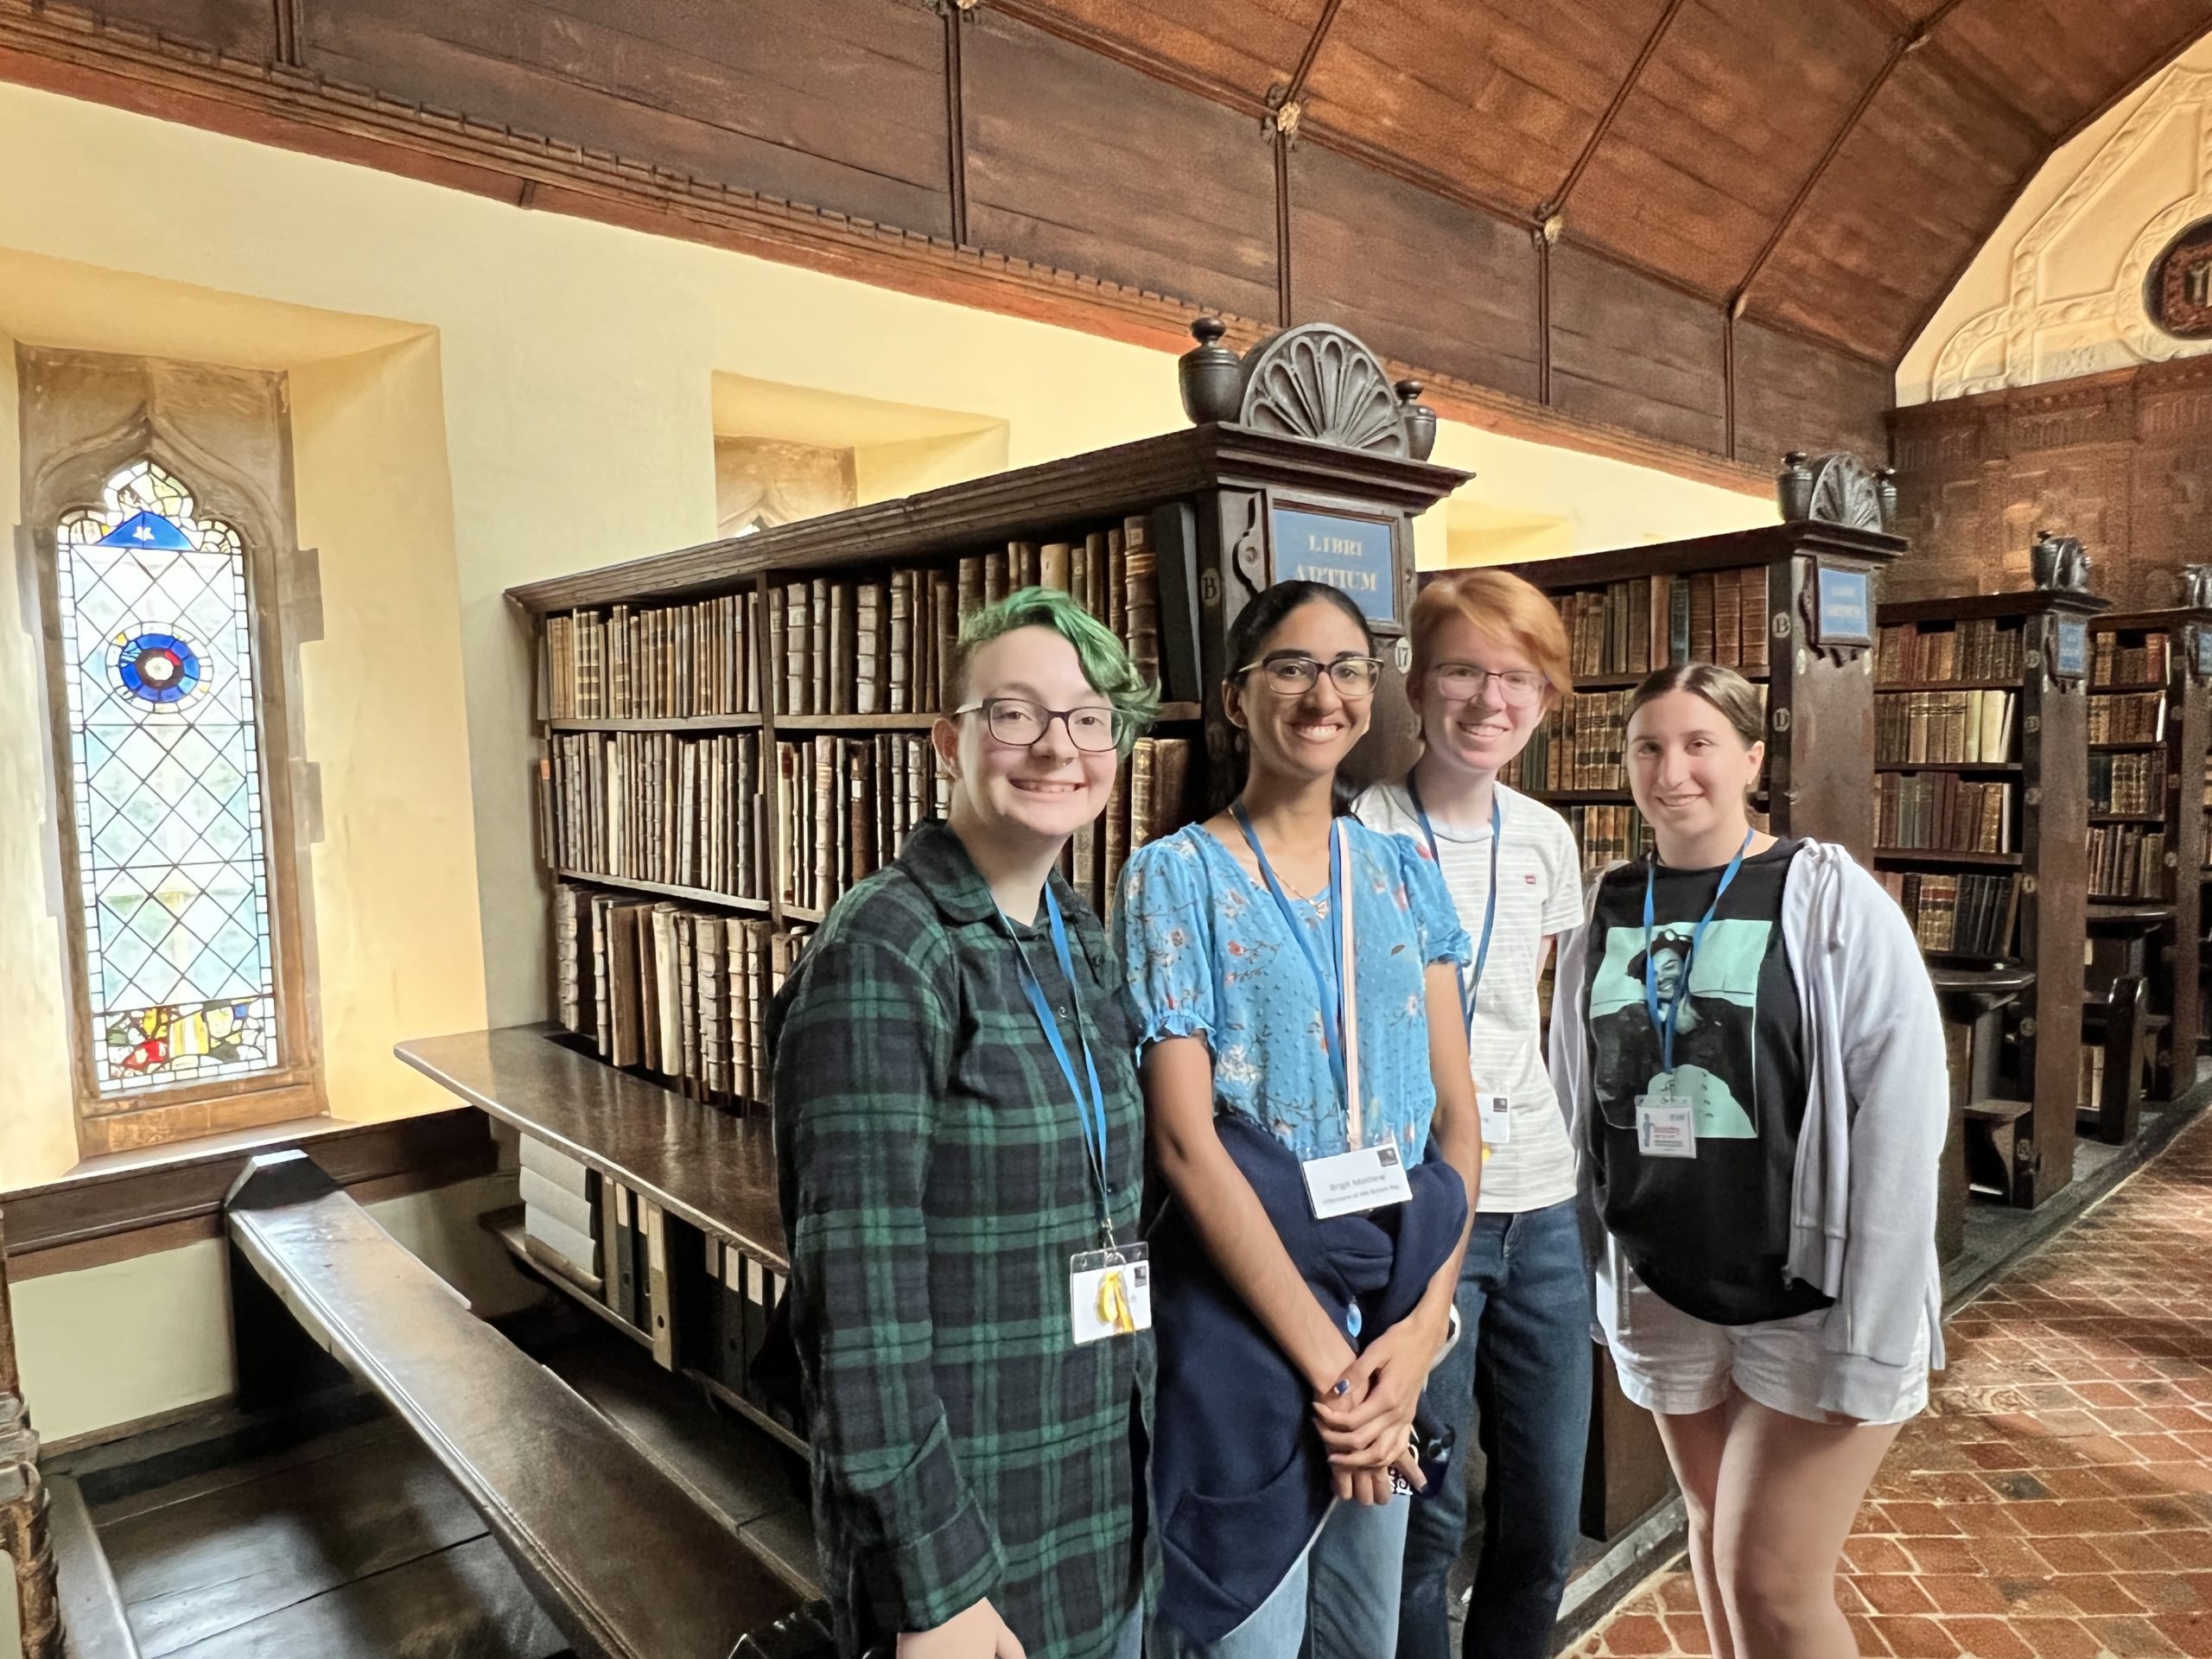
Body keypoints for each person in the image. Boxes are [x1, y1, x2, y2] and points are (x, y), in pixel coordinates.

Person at [770, 587, 1158, 1659]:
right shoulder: (885, 952)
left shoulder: (1074, 933)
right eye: (1013, 714)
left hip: (1097, 1493)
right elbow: (856, 1305)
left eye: (1087, 719)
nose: (1054, 747)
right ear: (950, 738)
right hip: (969, 1540)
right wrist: (933, 1587)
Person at [1548, 662, 1947, 1659]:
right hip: (1665, 1276)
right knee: (1710, 1537)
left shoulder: (1825, 895)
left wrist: (1880, 1319)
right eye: (1647, 747)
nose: (1670, 769)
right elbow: (1572, 1091)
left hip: (1809, 1293)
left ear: (1750, 760)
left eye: (1698, 745)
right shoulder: (1607, 901)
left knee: (1772, 1581)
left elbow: (1901, 1112)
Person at [1116, 578, 1482, 1659]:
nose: (1322, 693)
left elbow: (1457, 1125)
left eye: (1346, 669)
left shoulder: (1404, 873)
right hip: (1251, 1318)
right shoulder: (1172, 877)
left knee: (1364, 1639)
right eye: (1290, 666)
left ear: (1373, 696)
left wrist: (1417, 1340)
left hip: (1393, 1306)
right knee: (1250, 1636)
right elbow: (1186, 1144)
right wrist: (1338, 1375)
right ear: (1236, 698)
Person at [1351, 569, 1592, 1659]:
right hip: (1420, 1209)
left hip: (1541, 1203)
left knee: (1541, 1507)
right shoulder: (1358, 831)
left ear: (1544, 701)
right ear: (1415, 681)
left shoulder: (1547, 837)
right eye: (1462, 670)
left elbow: (1524, 1011)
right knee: (1422, 1512)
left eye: (1518, 679)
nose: (1490, 701)